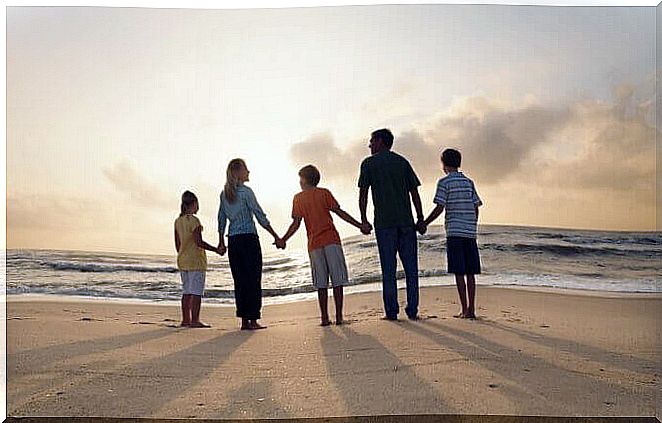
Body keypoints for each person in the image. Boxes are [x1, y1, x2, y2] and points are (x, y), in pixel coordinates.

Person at [278, 165, 370, 326]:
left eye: (301, 179)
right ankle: (339, 317)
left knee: (321, 282)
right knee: (337, 280)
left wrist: (283, 239)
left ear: (306, 179)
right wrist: (359, 225)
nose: (299, 182)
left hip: (314, 244)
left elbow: (296, 223)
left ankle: (325, 317)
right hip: (331, 240)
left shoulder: (298, 198)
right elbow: (340, 213)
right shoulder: (324, 193)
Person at [358, 128, 425, 321]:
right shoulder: (402, 162)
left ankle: (391, 311)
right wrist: (420, 218)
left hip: (385, 223)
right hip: (406, 222)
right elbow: (414, 193)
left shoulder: (369, 164)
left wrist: (364, 219)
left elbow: (363, 194)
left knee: (388, 269)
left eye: (371, 141)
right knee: (411, 268)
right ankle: (412, 309)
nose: (370, 145)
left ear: (380, 141)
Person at [217, 158, 282, 330]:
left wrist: (221, 242)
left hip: (234, 241)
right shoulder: (246, 192)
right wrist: (276, 236)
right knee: (253, 279)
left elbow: (221, 219)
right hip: (248, 239)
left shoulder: (224, 194)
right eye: (246, 169)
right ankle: (253, 319)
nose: (249, 172)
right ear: (238, 172)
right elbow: (260, 215)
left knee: (240, 280)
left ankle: (244, 321)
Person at [420, 148, 483, 319]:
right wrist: (472, 224)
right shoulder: (469, 182)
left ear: (443, 164)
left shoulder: (444, 182)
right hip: (470, 233)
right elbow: (476, 206)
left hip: (454, 231)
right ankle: (472, 309)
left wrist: (424, 223)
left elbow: (440, 207)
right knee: (471, 272)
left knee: (459, 272)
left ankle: (464, 309)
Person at [174, 191, 218, 328]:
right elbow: (199, 242)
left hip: (183, 260)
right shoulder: (194, 221)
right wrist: (216, 249)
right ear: (193, 204)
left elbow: (177, 243)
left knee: (186, 291)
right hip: (196, 261)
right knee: (196, 292)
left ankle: (185, 319)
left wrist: (183, 253)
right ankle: (195, 320)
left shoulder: (178, 221)